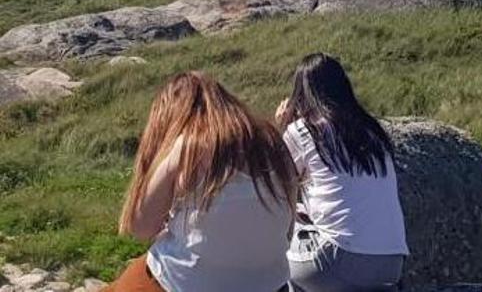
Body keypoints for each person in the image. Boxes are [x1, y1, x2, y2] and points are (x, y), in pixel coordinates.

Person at [105, 71, 297, 292]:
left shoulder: (189, 146)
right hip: (271, 285)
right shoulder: (274, 142)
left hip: (189, 283)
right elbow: (288, 226)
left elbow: (141, 226)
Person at [276, 53, 409, 292]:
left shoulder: (303, 131)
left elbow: (276, 186)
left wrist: (283, 128)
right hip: (392, 265)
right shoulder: (373, 131)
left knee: (278, 248)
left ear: (301, 93)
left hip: (339, 261)